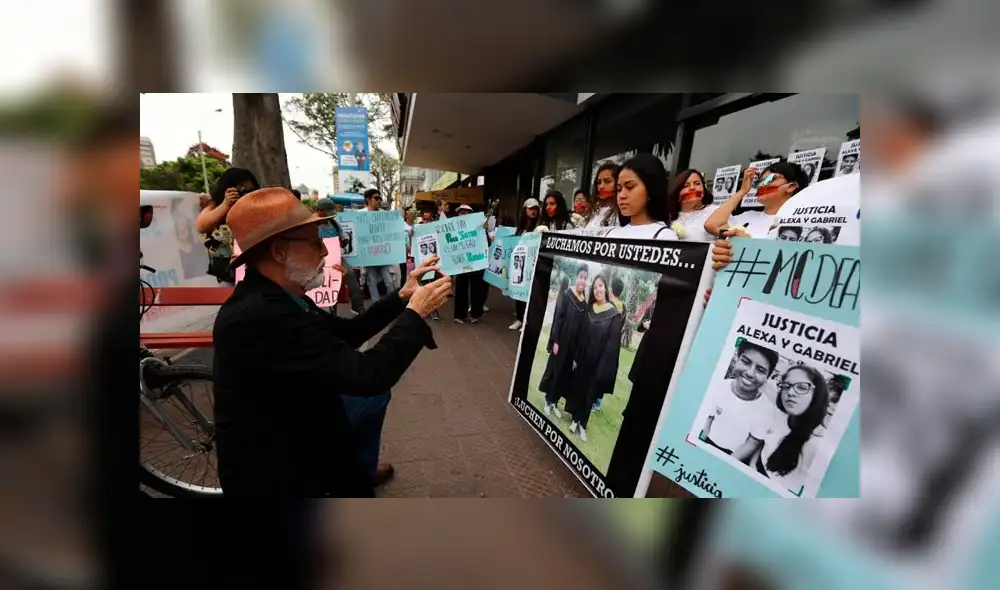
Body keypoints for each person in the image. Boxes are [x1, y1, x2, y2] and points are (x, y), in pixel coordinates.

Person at [212, 187, 452, 497]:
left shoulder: (281, 297)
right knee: (370, 394)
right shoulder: (258, 316)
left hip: (303, 419)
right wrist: (417, 313)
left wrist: (403, 296)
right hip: (277, 465)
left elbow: (348, 333)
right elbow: (368, 375)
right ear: (279, 252)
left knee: (373, 399)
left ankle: (362, 471)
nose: (325, 252)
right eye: (315, 242)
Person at [732, 365, 831, 493]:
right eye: (786, 386)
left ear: (817, 395)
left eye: (802, 387)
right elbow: (763, 448)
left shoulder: (816, 445)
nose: (790, 393)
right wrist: (752, 469)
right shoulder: (779, 414)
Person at [566, 275, 623, 442]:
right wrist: (576, 357)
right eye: (595, 287)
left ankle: (583, 425)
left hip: (598, 363)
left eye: (601, 286)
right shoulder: (589, 310)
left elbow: (612, 345)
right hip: (584, 359)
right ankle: (575, 420)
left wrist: (603, 369)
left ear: (606, 288)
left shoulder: (613, 314)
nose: (598, 289)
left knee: (590, 394)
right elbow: (582, 334)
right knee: (579, 389)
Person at [700, 341, 781, 455]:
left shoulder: (766, 409)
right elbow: (709, 417)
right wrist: (701, 441)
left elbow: (752, 443)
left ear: (768, 377)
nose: (750, 373)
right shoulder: (720, 385)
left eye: (760, 370)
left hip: (733, 454)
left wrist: (727, 460)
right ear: (736, 360)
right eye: (746, 362)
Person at [704, 160, 811, 239]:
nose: (762, 185)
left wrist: (748, 243)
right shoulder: (747, 217)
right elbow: (712, 225)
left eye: (771, 179)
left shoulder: (799, 223)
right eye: (759, 181)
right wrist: (742, 191)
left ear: (791, 187)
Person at [539, 265, 589, 418]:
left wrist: (576, 356)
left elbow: (582, 331)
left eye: (585, 278)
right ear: (576, 277)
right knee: (555, 370)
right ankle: (548, 400)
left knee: (565, 375)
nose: (582, 281)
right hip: (561, 341)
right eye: (581, 277)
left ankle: (555, 402)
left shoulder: (584, 304)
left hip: (573, 347)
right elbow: (558, 319)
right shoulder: (567, 294)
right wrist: (555, 340)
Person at [196, 167, 260, 283]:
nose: (244, 193)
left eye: (250, 190)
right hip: (222, 272)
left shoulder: (257, 208)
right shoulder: (216, 206)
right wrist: (226, 205)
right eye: (240, 188)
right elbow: (202, 226)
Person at [604, 153, 679, 240]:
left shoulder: (664, 237)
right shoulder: (610, 234)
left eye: (630, 187)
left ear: (651, 189)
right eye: (619, 189)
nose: (621, 195)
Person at [315, 198, 364, 316]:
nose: (330, 216)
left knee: (351, 275)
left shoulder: (334, 224)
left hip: (337, 260)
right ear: (319, 211)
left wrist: (344, 240)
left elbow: (343, 237)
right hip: (317, 261)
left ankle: (358, 308)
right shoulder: (312, 225)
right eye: (327, 213)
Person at [593, 276, 627, 412]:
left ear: (611, 289)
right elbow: (622, 326)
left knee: (597, 370)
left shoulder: (608, 305)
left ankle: (593, 400)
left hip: (603, 343)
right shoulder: (623, 307)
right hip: (614, 345)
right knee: (605, 372)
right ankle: (598, 402)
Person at [509, 198, 541, 331]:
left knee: (530, 293)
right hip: (520, 265)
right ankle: (520, 319)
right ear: (525, 210)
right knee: (519, 291)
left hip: (532, 265)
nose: (533, 211)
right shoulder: (521, 227)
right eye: (530, 209)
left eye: (535, 209)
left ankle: (527, 320)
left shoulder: (540, 226)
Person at [453, 204, 488, 324]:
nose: (463, 214)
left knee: (476, 288)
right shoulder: (453, 227)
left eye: (466, 212)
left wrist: (484, 230)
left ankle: (475, 314)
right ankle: (459, 315)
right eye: (461, 212)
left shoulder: (479, 227)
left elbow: (485, 241)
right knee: (460, 288)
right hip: (461, 262)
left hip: (475, 261)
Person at [360, 189, 396, 302]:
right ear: (368, 199)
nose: (379, 200)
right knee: (372, 282)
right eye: (376, 198)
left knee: (390, 282)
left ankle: (392, 305)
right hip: (369, 257)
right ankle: (377, 308)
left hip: (384, 255)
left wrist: (408, 232)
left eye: (380, 198)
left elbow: (395, 230)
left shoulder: (385, 215)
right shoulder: (359, 215)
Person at [669, 169, 718, 242]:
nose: (692, 188)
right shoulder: (668, 216)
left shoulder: (715, 211)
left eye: (697, 183)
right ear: (677, 192)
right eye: (686, 185)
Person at [584, 161, 623, 229]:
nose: (601, 186)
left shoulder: (624, 211)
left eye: (607, 181)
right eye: (599, 182)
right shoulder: (594, 209)